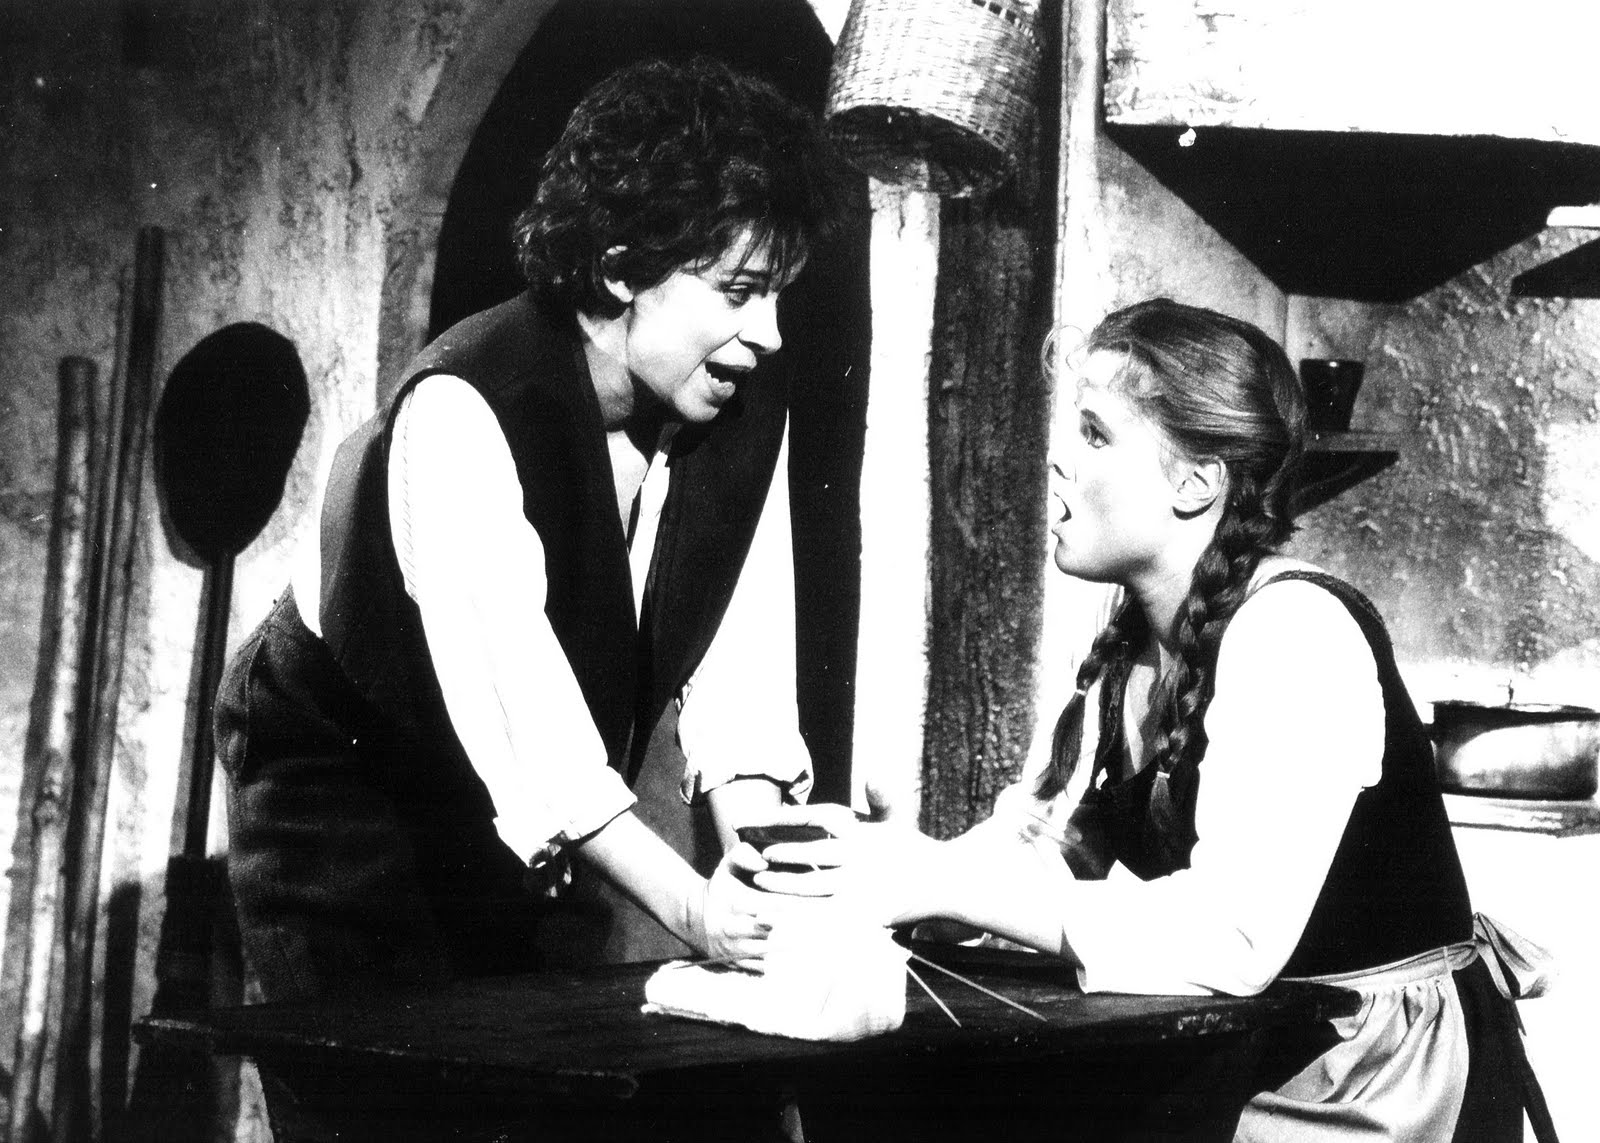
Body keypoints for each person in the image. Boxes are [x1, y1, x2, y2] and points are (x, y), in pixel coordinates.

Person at [760, 298, 1554, 1142]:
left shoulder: (1295, 633)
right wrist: (884, 870)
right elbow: (1041, 844)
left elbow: (1231, 937)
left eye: (1096, 434)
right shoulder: (1131, 647)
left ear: (1196, 482)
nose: (1058, 458)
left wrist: (945, 883)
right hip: (1259, 1049)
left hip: (1370, 1079)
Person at [216, 53, 839, 1029]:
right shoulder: (463, 407)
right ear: (621, 268)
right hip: (350, 784)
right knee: (376, 1064)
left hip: (531, 796)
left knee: (543, 1057)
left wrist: (767, 883)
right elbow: (533, 731)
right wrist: (695, 912)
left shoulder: (738, 399)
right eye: (738, 290)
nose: (768, 333)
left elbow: (742, 686)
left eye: (779, 294)